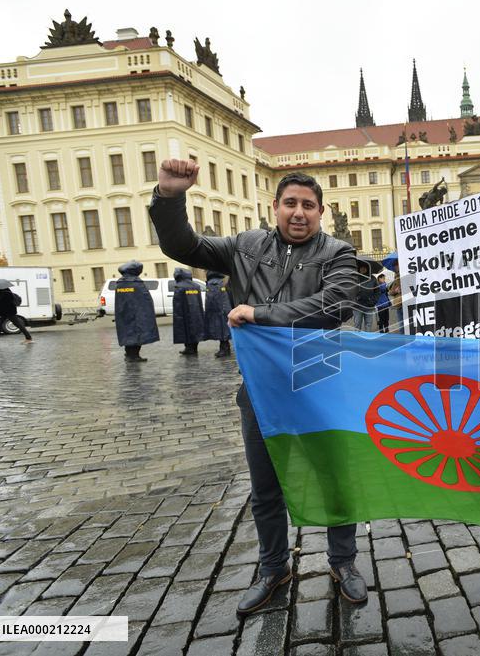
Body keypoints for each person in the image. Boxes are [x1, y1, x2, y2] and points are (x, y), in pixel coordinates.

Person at [148, 161, 365, 614]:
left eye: (308, 205)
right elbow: (183, 244)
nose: (299, 212)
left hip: (322, 385)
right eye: (291, 203)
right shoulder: (244, 245)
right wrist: (169, 197)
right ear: (275, 207)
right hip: (260, 392)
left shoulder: (339, 252)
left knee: (336, 480)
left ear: (321, 212)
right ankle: (273, 568)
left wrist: (259, 314)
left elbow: (338, 303)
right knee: (265, 486)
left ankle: (343, 562)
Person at [113, 260, 159, 362]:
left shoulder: (120, 284)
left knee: (127, 334)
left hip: (124, 315)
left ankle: (129, 354)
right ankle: (134, 356)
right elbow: (146, 300)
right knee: (138, 334)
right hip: (137, 314)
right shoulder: (136, 284)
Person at [172, 268, 205, 355]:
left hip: (184, 313)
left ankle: (189, 348)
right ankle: (194, 348)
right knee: (195, 330)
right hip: (196, 312)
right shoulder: (196, 286)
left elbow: (177, 303)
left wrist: (177, 316)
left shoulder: (179, 287)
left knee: (186, 330)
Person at [203, 270, 233, 357]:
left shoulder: (212, 283)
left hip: (218, 310)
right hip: (225, 309)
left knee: (221, 330)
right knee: (224, 330)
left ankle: (224, 349)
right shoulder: (223, 282)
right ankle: (225, 348)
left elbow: (211, 299)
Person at [353, 262, 378, 332]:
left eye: (365, 267)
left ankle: (367, 340)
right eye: (361, 267)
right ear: (359, 268)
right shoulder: (355, 278)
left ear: (367, 268)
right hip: (357, 306)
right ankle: (358, 340)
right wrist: (355, 298)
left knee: (369, 324)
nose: (363, 269)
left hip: (369, 306)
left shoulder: (372, 278)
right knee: (357, 324)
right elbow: (350, 290)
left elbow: (377, 291)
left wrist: (374, 301)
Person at [388, 265, 404, 333]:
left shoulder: (405, 275)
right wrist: (395, 291)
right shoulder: (396, 279)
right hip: (398, 304)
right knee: (401, 325)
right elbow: (390, 292)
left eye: (396, 265)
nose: (394, 267)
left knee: (405, 325)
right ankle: (404, 340)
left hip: (405, 303)